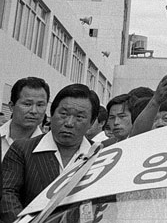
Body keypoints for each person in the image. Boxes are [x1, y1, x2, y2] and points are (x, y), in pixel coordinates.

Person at [1, 84, 99, 222]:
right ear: (51, 114)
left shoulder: (99, 154)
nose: (69, 123)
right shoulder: (22, 149)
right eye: (63, 114)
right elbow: (7, 194)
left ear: (91, 122)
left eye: (79, 117)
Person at [0, 77, 50, 159]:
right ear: (11, 106)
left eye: (40, 105)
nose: (34, 111)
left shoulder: (49, 148)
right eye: (27, 104)